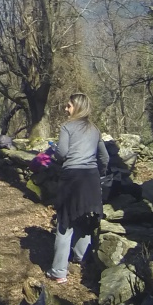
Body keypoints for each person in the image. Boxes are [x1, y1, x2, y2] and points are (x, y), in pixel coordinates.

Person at [46, 92, 109, 284]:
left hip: (72, 177)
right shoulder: (95, 129)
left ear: (77, 107)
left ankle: (58, 271)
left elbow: (62, 153)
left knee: (65, 223)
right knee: (84, 219)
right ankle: (81, 257)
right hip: (90, 179)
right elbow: (104, 158)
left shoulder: (67, 126)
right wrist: (102, 174)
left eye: (69, 106)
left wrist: (55, 154)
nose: (66, 109)